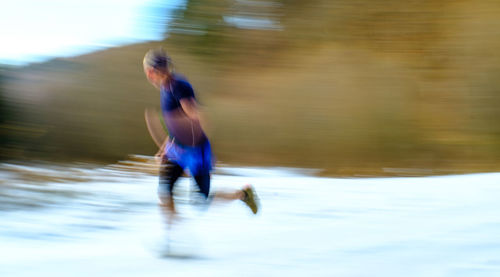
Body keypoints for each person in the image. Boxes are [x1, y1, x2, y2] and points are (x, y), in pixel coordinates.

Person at [143, 48, 259, 220]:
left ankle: (243, 195)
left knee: (201, 202)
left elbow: (199, 119)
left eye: (147, 73)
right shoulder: (166, 89)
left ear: (152, 72)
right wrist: (165, 149)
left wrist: (196, 154)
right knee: (164, 193)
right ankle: (172, 241)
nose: (148, 76)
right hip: (178, 150)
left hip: (196, 151)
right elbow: (177, 126)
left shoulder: (179, 87)